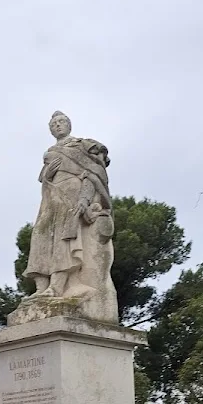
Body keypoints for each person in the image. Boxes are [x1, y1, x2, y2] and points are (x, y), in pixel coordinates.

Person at [22, 112, 118, 322]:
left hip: (72, 197)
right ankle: (41, 287)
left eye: (61, 122)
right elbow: (45, 181)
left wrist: (87, 200)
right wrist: (47, 175)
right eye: (54, 124)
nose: (57, 126)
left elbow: (96, 171)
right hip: (51, 198)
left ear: (69, 125)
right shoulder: (50, 153)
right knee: (39, 235)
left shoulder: (80, 145)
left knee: (63, 241)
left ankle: (57, 286)